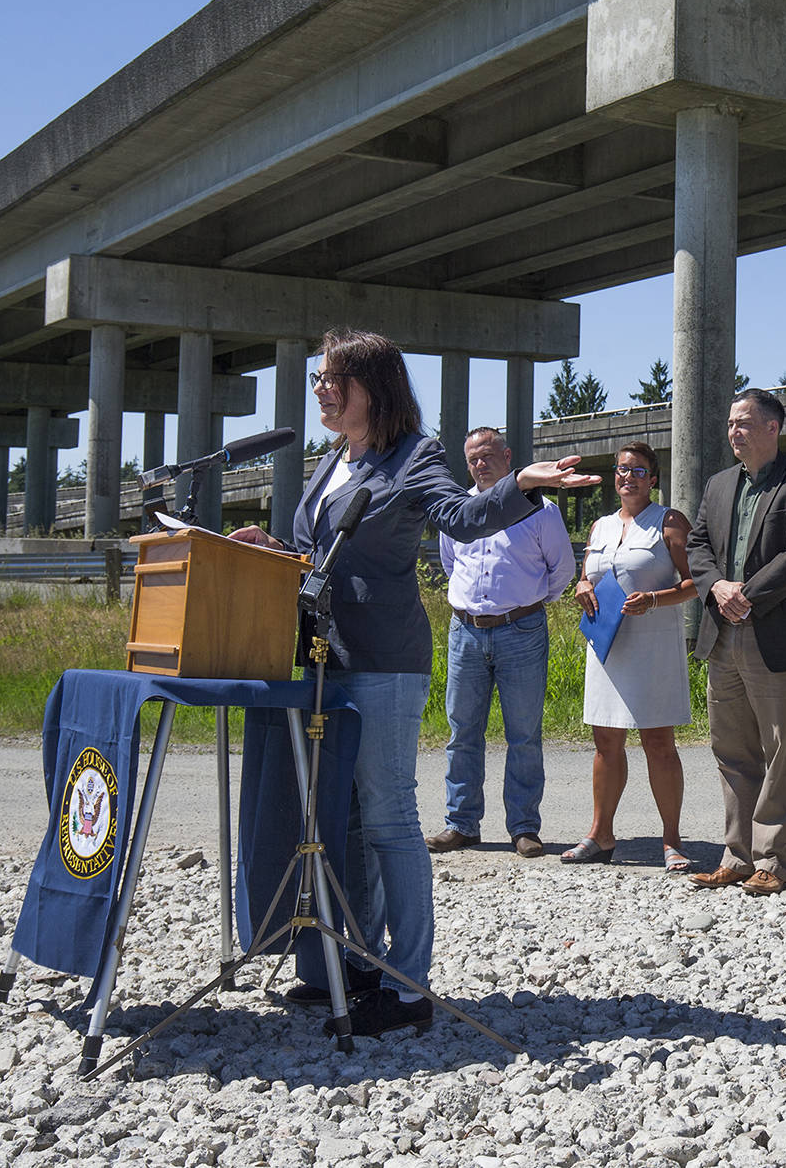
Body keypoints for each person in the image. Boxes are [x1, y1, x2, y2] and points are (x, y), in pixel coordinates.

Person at [229, 330, 596, 1038]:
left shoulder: (414, 456)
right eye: (320, 378)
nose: (323, 391)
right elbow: (320, 551)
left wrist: (520, 486)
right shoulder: (332, 460)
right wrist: (276, 549)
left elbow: (459, 514)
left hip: (384, 660)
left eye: (337, 378)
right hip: (327, 657)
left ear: (377, 385)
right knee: (354, 820)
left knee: (390, 815)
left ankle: (410, 984)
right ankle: (359, 965)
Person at [683, 390, 786, 896]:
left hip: (775, 634)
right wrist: (716, 588)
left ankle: (774, 860)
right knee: (731, 749)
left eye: (743, 423)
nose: (733, 432)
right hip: (722, 632)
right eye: (729, 424)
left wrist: (746, 594)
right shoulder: (720, 485)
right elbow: (698, 546)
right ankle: (738, 856)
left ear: (773, 427)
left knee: (781, 748)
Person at [428, 426, 575, 859]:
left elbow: (561, 569)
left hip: (522, 632)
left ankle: (524, 827)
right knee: (462, 732)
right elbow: (450, 563)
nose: (481, 463)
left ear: (508, 456)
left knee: (524, 733)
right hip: (466, 631)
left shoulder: (540, 511)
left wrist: (525, 606)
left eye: (489, 455)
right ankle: (461, 824)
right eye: (473, 458)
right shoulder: (458, 511)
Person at [565, 441, 694, 869]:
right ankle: (600, 834)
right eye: (622, 470)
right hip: (607, 646)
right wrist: (581, 585)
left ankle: (672, 840)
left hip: (653, 646)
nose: (628, 477)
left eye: (638, 471)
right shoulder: (600, 526)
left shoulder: (669, 522)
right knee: (605, 742)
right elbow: (587, 575)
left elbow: (698, 583)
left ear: (653, 479)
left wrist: (654, 600)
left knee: (658, 742)